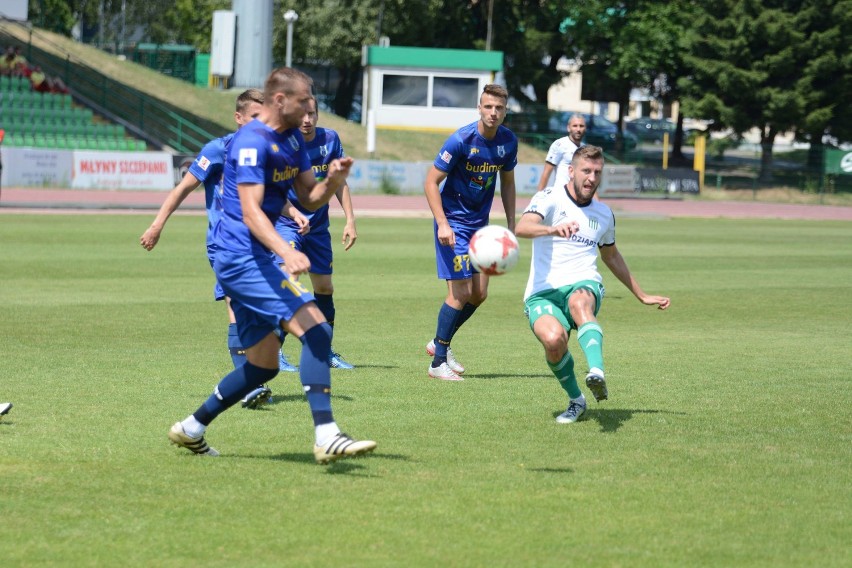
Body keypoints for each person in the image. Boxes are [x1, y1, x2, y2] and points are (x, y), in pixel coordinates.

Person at [167, 67, 376, 464]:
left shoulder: (294, 140)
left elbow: (311, 199)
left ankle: (191, 427)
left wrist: (332, 180)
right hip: (240, 258)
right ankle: (327, 434)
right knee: (316, 329)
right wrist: (287, 249)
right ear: (279, 101)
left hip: (256, 257)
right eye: (302, 103)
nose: (310, 111)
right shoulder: (251, 142)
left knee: (263, 367)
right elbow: (250, 211)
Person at [140, 89, 309, 409]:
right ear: (239, 118)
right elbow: (183, 188)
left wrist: (293, 211)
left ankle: (251, 376)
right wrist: (157, 224)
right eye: (256, 118)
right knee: (237, 307)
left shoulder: (262, 150)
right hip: (226, 246)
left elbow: (264, 196)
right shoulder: (218, 150)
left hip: (260, 242)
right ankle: (247, 386)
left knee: (261, 312)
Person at [515, 145, 670, 423]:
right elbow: (522, 227)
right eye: (586, 171)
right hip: (542, 292)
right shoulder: (549, 198)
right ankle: (577, 400)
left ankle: (596, 371)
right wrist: (552, 228)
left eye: (597, 172)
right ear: (571, 171)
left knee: (579, 302)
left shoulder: (604, 214)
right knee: (553, 341)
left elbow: (611, 256)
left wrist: (641, 294)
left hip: (583, 282)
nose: (591, 178)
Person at [423, 83, 518, 380]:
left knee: (479, 294)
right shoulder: (461, 140)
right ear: (479, 107)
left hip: (481, 228)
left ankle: (442, 340)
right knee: (460, 292)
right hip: (453, 225)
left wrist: (512, 223)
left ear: (505, 111)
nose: (493, 112)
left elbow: (509, 184)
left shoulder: (508, 142)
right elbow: (430, 182)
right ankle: (438, 362)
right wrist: (442, 223)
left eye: (499, 108)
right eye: (488, 106)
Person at [273, 96, 358, 372]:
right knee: (290, 280)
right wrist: (293, 214)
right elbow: (272, 191)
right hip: (287, 224)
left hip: (319, 228)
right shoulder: (282, 143)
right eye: (302, 115)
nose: (307, 120)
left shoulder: (330, 140)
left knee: (324, 288)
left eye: (312, 114)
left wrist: (350, 220)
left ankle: (324, 352)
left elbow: (338, 182)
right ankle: (274, 351)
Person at [536, 113, 586, 192]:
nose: (578, 129)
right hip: (561, 194)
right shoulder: (559, 144)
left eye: (581, 126)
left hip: (578, 195)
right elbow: (546, 173)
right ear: (568, 128)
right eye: (575, 126)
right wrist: (538, 198)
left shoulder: (585, 148)